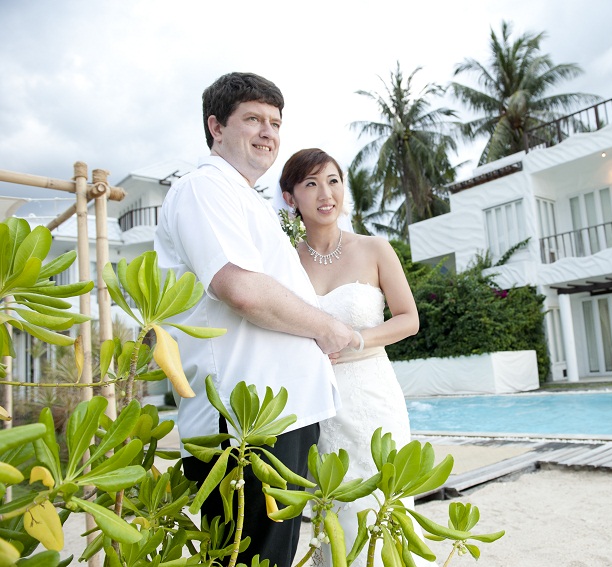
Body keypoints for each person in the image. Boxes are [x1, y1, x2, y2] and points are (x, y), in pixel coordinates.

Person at [154, 73, 355, 567]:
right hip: (245, 422)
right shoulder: (204, 188)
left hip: (279, 413)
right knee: (251, 559)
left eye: (275, 123)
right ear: (216, 127)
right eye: (253, 119)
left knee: (272, 557)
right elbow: (239, 288)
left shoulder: (246, 197)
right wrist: (326, 329)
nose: (268, 132)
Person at [279, 148, 423, 567]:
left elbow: (409, 319)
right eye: (311, 184)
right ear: (290, 198)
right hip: (317, 403)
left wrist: (357, 339)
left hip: (373, 396)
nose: (325, 194)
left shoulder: (375, 249)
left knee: (382, 505)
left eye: (333, 181)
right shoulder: (285, 262)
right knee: (335, 512)